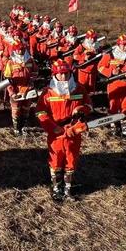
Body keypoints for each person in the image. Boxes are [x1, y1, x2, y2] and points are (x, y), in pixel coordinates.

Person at [35, 59, 92, 201]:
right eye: (60, 74)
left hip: (74, 132)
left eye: (66, 73)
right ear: (54, 74)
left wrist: (82, 109)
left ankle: (68, 187)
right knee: (56, 160)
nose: (63, 76)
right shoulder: (48, 92)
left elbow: (89, 105)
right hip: (55, 133)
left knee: (71, 159)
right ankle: (56, 187)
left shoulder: (79, 89)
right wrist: (51, 127)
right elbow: (40, 112)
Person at [98, 35, 126, 138]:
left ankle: (125, 129)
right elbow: (100, 67)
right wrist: (111, 72)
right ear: (118, 45)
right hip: (114, 84)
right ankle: (113, 129)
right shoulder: (111, 55)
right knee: (113, 107)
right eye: (123, 45)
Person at [3, 40, 38, 135]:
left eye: (22, 49)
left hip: (27, 89)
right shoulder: (10, 62)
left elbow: (35, 72)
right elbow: (7, 79)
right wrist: (11, 92)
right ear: (15, 50)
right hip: (16, 90)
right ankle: (16, 128)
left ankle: (24, 126)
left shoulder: (30, 60)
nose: (20, 51)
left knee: (26, 108)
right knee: (16, 109)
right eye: (18, 50)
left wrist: (31, 81)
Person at [72, 29, 102, 94]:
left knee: (91, 89)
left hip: (93, 71)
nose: (93, 39)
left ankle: (90, 102)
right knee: (82, 87)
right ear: (88, 38)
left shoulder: (98, 47)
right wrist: (83, 57)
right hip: (83, 71)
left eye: (94, 38)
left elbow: (101, 57)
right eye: (92, 38)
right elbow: (74, 56)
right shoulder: (81, 47)